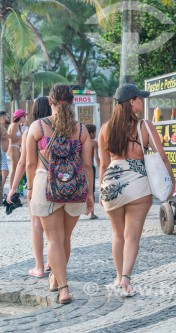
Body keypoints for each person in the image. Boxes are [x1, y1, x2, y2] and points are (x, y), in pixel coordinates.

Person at [99, 83, 175, 297]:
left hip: (111, 183)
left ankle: (117, 276)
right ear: (131, 101)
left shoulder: (106, 128)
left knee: (117, 234)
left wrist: (100, 188)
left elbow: (103, 164)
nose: (143, 101)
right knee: (132, 236)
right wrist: (171, 178)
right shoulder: (145, 126)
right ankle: (125, 279)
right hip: (137, 183)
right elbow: (161, 156)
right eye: (140, 98)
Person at [26, 84, 94, 304]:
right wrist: (90, 193)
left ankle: (63, 288)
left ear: (50, 100)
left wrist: (29, 189)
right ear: (72, 101)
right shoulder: (82, 130)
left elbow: (29, 163)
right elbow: (87, 166)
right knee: (65, 238)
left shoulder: (37, 127)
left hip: (46, 183)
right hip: (75, 186)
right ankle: (55, 276)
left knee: (53, 239)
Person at [7, 97, 52, 277]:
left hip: (37, 183)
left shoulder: (32, 130)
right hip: (59, 181)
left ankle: (39, 267)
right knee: (54, 226)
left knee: (36, 224)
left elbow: (24, 163)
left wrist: (14, 188)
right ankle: (52, 263)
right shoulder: (62, 128)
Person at [8, 109, 28, 191]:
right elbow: (12, 139)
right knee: (13, 169)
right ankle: (11, 189)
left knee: (16, 168)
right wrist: (23, 136)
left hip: (16, 147)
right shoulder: (14, 125)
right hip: (13, 147)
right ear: (20, 117)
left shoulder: (18, 125)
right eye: (24, 116)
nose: (25, 117)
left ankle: (14, 188)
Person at [86, 124, 100, 220]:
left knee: (82, 190)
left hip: (81, 169)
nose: (95, 134)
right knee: (91, 190)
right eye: (94, 132)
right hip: (90, 168)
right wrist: (101, 166)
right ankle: (92, 213)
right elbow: (96, 157)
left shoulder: (81, 142)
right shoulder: (94, 143)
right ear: (91, 133)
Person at [0, 111, 10, 198]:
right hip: (1, 152)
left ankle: (1, 191)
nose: (8, 119)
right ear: (2, 118)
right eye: (7, 117)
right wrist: (7, 136)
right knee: (5, 172)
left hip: (2, 153)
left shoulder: (2, 127)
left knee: (4, 172)